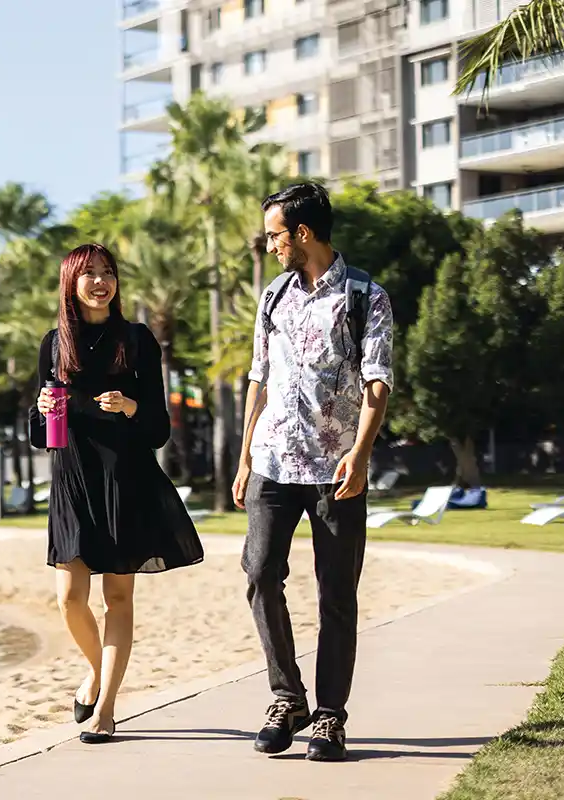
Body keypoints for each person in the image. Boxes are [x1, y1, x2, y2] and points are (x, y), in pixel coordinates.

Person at [233, 183, 394, 762]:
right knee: (258, 573)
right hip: (274, 462)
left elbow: (377, 384)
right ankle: (288, 697)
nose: (270, 244)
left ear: (302, 233)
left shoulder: (364, 295)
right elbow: (260, 377)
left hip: (336, 470)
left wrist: (361, 452)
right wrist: (246, 452)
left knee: (336, 596)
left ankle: (330, 716)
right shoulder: (273, 296)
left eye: (275, 234)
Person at [31, 242, 204, 744]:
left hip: (124, 479)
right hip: (73, 480)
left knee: (118, 595)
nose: (101, 282)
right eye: (90, 274)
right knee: (69, 598)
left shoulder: (138, 339)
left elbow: (158, 427)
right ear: (71, 283)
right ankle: (95, 672)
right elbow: (40, 433)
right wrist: (42, 409)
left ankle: (106, 707)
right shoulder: (53, 343)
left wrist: (130, 405)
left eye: (108, 273)